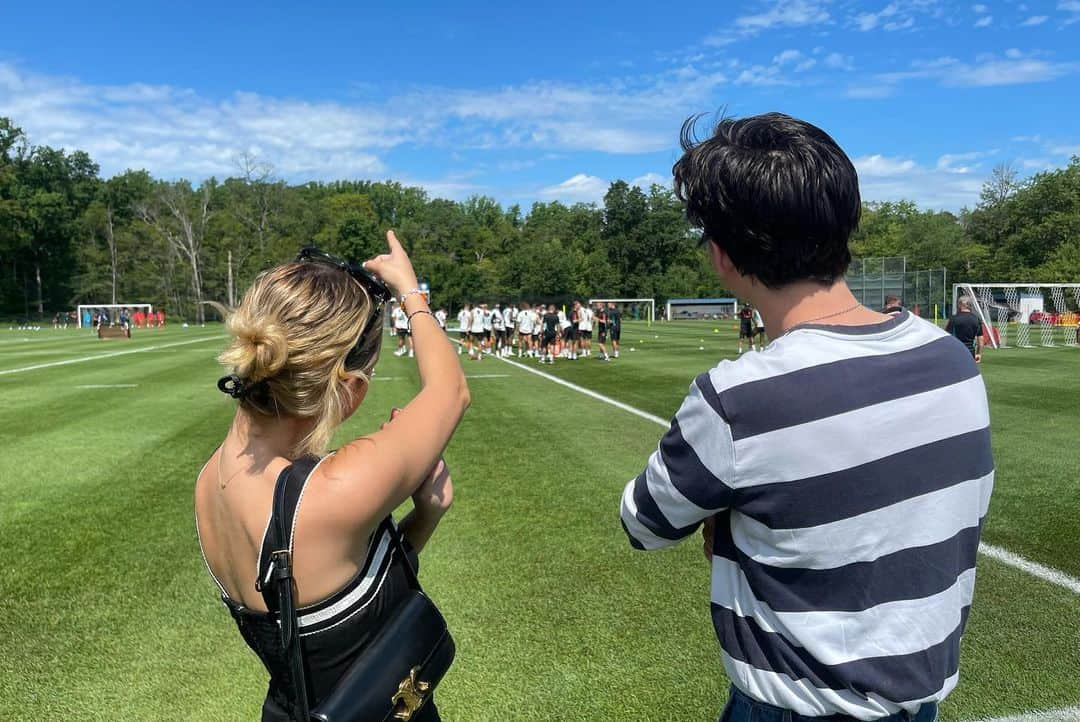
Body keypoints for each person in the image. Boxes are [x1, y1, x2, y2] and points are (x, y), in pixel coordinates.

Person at [619, 112, 992, 722]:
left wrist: (732, 522)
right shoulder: (952, 359)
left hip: (794, 704)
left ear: (723, 255)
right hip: (920, 702)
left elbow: (644, 522)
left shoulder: (738, 397)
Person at [195, 232, 469, 722]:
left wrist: (424, 517)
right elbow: (450, 391)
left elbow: (334, 603)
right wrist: (409, 289)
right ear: (349, 386)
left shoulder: (209, 480)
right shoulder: (330, 493)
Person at [946, 296, 984, 363]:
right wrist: (978, 354)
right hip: (970, 352)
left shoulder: (954, 318)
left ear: (960, 304)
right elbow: (980, 340)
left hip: (956, 351)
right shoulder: (976, 319)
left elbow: (946, 336)